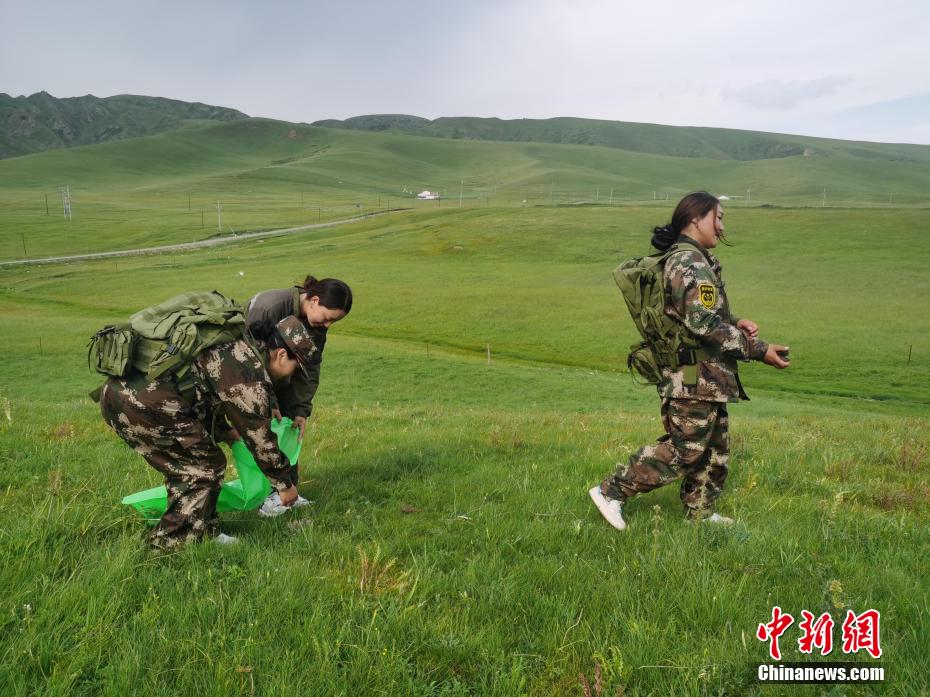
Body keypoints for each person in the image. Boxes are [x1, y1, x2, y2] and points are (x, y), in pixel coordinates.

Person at [589, 191, 790, 530]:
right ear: (696, 218)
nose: (722, 227)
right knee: (686, 449)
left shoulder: (695, 259)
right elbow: (703, 323)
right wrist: (759, 350)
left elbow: (699, 313)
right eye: (718, 217)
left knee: (713, 449)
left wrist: (735, 321)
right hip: (693, 375)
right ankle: (611, 491)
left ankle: (699, 514)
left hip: (707, 376)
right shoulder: (689, 262)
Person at [100, 316, 317, 549]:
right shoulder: (248, 371)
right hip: (140, 405)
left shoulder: (238, 347)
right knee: (203, 468)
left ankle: (203, 531)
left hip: (123, 397)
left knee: (197, 463)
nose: (291, 376)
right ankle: (172, 543)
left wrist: (226, 432)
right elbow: (259, 437)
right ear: (282, 355)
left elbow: (202, 392)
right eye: (295, 368)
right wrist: (284, 484)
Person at [244, 275, 353, 516]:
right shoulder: (269, 307)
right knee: (265, 430)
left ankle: (288, 492)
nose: (327, 325)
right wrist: (271, 402)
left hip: (282, 375)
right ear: (314, 301)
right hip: (249, 378)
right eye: (328, 318)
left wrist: (300, 409)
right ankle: (267, 496)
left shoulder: (316, 324)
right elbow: (250, 362)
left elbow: (310, 366)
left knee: (289, 428)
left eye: (334, 322)